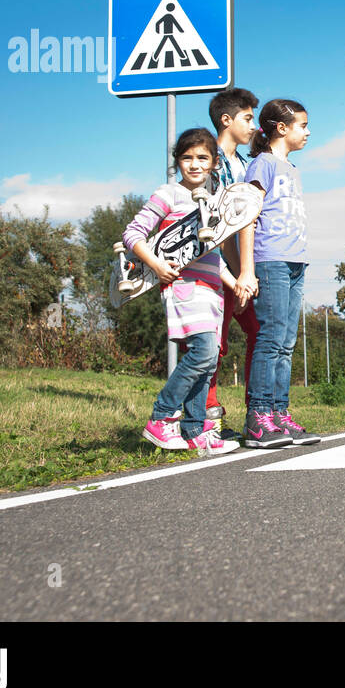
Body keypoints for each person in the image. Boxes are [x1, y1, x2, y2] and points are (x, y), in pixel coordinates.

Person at [125, 127, 255, 455]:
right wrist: (154, 265)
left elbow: (212, 259)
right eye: (187, 158)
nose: (194, 164)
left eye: (202, 158)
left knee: (209, 360)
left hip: (211, 289)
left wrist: (236, 283)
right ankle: (162, 416)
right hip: (183, 287)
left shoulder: (213, 202)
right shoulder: (167, 194)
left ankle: (196, 432)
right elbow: (132, 234)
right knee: (204, 352)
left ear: (213, 163)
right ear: (177, 162)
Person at [242, 98, 321, 448]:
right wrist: (247, 269)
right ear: (282, 128)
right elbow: (246, 216)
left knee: (287, 344)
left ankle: (279, 415)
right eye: (302, 125)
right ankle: (258, 417)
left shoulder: (292, 169)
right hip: (270, 259)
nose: (308, 132)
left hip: (296, 261)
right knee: (271, 338)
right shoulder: (263, 164)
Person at [198, 87, 262, 437]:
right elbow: (214, 227)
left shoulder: (244, 165)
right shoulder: (211, 164)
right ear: (227, 120)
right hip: (214, 268)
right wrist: (233, 276)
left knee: (257, 331)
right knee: (215, 344)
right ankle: (208, 415)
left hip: (239, 268)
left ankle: (258, 411)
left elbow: (244, 225)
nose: (253, 126)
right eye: (247, 118)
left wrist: (244, 273)